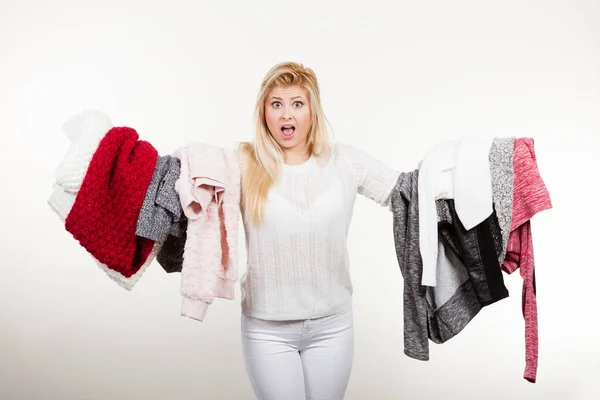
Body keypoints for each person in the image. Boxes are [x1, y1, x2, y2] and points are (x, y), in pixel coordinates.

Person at [235, 61, 400, 400]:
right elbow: (189, 182)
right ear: (264, 111)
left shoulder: (344, 162)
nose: (286, 115)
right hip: (268, 330)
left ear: (312, 110)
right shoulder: (243, 163)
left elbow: (405, 192)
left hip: (333, 327)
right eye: (276, 104)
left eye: (297, 103)